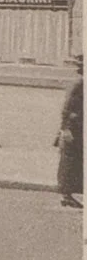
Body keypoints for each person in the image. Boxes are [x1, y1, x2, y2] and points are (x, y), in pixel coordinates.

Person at [56, 54, 83, 208]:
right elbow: (67, 108)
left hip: (78, 127)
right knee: (69, 161)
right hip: (73, 128)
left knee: (75, 160)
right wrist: (65, 129)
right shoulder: (79, 83)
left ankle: (68, 194)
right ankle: (66, 195)